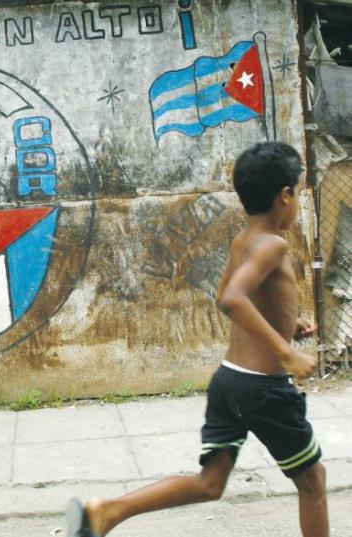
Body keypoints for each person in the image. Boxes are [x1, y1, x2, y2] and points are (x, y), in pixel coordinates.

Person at [66, 141, 328, 537]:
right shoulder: (273, 244)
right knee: (314, 484)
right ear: (285, 195)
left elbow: (232, 295)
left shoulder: (245, 239)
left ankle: (106, 512)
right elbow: (231, 298)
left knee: (210, 483)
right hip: (264, 390)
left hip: (229, 381)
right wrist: (286, 352)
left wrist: (286, 324)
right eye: (299, 189)